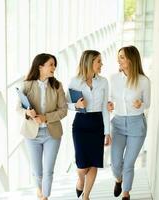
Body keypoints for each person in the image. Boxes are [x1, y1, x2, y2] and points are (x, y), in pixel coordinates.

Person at [17, 53, 68, 200]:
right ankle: (41, 192)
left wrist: (46, 118)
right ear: (40, 67)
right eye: (51, 64)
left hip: (52, 134)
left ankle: (45, 197)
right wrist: (28, 113)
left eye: (54, 65)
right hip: (32, 135)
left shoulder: (57, 86)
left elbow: (63, 110)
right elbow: (18, 108)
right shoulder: (27, 85)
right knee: (37, 172)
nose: (54, 67)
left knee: (48, 171)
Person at [67, 50, 112, 200]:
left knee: (94, 162)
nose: (101, 64)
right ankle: (80, 180)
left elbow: (106, 108)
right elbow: (66, 104)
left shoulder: (104, 81)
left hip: (98, 123)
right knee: (82, 165)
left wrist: (107, 132)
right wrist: (76, 105)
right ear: (89, 62)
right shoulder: (75, 81)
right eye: (98, 61)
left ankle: (86, 196)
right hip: (81, 123)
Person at [107, 45, 151, 200]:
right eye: (119, 56)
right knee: (115, 163)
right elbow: (110, 98)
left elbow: (148, 103)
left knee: (129, 164)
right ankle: (118, 180)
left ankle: (126, 194)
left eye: (122, 57)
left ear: (132, 60)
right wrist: (109, 104)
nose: (118, 60)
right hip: (118, 124)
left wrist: (141, 104)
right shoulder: (113, 78)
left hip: (136, 125)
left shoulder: (143, 80)